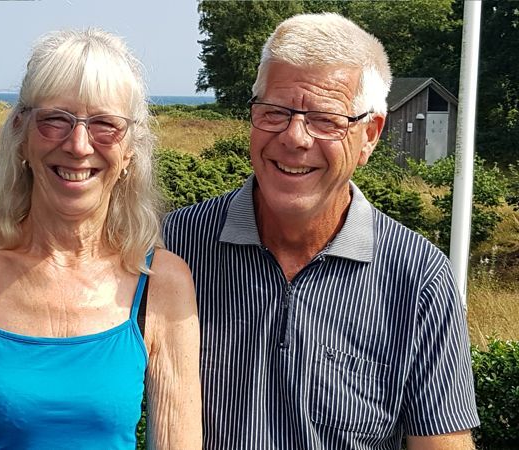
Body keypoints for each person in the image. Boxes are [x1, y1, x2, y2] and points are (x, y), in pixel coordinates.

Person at [163, 12, 479, 450]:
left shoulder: (418, 278)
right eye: (275, 112)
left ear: (370, 135)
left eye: (326, 120)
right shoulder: (176, 246)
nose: (295, 137)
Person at [0, 29, 201, 450]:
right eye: (56, 119)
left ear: (130, 149)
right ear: (21, 133)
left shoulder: (162, 283)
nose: (78, 145)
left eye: (105, 125)